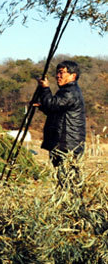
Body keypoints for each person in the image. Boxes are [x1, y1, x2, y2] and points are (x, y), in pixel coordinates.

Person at [35, 60, 86, 188]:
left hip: (67, 146)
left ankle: (72, 205)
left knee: (67, 180)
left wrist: (45, 88)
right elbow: (55, 111)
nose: (58, 76)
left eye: (62, 73)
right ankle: (68, 204)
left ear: (72, 76)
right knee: (64, 180)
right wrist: (42, 105)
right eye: (57, 73)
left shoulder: (70, 92)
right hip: (64, 144)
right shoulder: (67, 91)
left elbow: (52, 104)